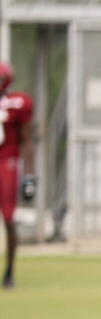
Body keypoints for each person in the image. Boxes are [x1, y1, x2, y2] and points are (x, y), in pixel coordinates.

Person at [0, 61, 35, 290]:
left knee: (9, 217)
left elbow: (27, 141)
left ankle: (10, 271)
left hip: (7, 162)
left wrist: (29, 178)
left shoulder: (16, 103)